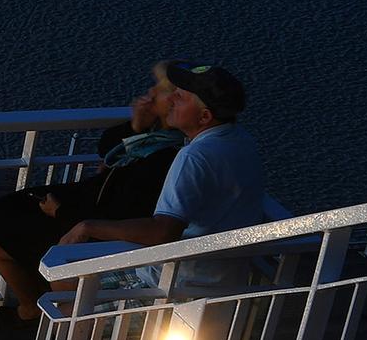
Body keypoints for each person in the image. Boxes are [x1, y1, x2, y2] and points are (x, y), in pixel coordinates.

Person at [0, 67, 186, 321]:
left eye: (162, 90)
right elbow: (106, 148)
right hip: (89, 202)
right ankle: (36, 301)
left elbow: (124, 210)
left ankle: (31, 309)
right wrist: (136, 125)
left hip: (94, 225)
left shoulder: (168, 156)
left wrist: (60, 212)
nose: (151, 93)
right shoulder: (152, 135)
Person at [61, 62, 264, 251]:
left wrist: (87, 227)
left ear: (204, 117)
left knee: (63, 279)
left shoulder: (193, 156)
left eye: (181, 97)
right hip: (225, 269)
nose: (172, 99)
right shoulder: (241, 140)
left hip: (184, 276)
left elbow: (164, 231)